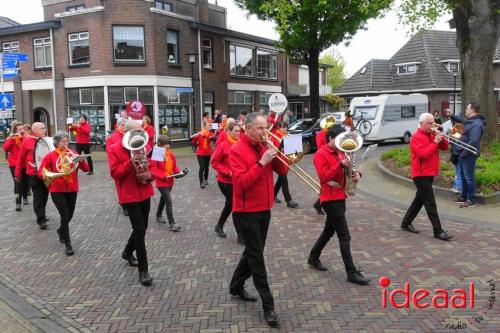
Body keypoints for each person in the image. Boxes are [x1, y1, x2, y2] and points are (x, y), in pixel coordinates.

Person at [228, 112, 288, 328]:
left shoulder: (265, 146)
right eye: (261, 128)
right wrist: (262, 162)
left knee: (253, 251)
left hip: (265, 208)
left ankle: (236, 286)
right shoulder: (236, 151)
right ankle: (268, 305)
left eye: (266, 128)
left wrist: (279, 153)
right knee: (256, 258)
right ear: (248, 129)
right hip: (246, 211)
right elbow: (242, 183)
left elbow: (282, 171)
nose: (265, 132)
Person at [307, 124, 371, 285]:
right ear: (331, 138)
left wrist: (356, 174)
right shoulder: (320, 154)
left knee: (328, 232)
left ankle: (313, 257)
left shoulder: (341, 152)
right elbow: (323, 177)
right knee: (345, 236)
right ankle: (351, 272)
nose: (343, 143)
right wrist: (339, 165)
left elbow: (346, 172)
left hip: (340, 196)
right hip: (329, 198)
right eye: (339, 139)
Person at [108, 119, 154, 286]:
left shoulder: (145, 145)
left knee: (143, 228)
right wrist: (131, 162)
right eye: (137, 131)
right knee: (140, 231)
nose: (141, 133)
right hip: (129, 194)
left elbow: (154, 164)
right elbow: (115, 173)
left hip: (145, 191)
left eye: (141, 130)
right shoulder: (114, 149)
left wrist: (152, 173)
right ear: (127, 132)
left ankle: (127, 251)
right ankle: (144, 271)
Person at [400, 113, 453, 240]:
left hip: (429, 173)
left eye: (433, 123)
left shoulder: (432, 134)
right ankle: (438, 231)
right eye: (430, 123)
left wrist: (441, 137)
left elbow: (445, 147)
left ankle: (406, 223)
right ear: (421, 123)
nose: (432, 126)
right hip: (420, 174)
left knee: (419, 200)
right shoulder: (416, 137)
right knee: (430, 203)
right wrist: (435, 142)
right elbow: (423, 154)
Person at [38, 132, 89, 256]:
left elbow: (86, 169)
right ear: (56, 143)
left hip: (72, 188)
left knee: (69, 215)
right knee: (65, 215)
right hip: (57, 190)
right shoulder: (50, 156)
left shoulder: (73, 154)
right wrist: (50, 176)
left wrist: (80, 160)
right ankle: (68, 244)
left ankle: (61, 231)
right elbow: (41, 172)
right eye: (62, 142)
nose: (65, 144)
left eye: (66, 141)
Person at [446, 103, 486, 208]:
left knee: (469, 177)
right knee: (464, 176)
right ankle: (463, 197)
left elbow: (473, 140)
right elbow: (462, 121)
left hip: (469, 154)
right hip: (464, 153)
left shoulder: (477, 124)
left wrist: (463, 153)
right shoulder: (471, 121)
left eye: (467, 108)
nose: (465, 109)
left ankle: (471, 200)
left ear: (472, 110)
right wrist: (452, 115)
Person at [211, 121, 243, 243]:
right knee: (234, 205)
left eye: (239, 131)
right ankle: (240, 235)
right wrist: (227, 171)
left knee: (230, 205)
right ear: (229, 131)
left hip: (237, 180)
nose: (238, 133)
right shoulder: (223, 145)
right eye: (235, 131)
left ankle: (219, 225)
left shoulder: (241, 144)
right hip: (225, 181)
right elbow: (214, 162)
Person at [15, 122, 50, 229]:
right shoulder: (27, 141)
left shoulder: (46, 140)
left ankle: (42, 213)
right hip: (33, 174)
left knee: (44, 195)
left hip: (45, 173)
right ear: (35, 130)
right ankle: (41, 219)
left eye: (44, 128)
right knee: (38, 196)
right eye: (42, 128)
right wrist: (17, 173)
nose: (45, 130)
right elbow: (20, 158)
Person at [150, 135, 183, 232]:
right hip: (162, 182)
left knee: (163, 199)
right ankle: (172, 223)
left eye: (168, 144)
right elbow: (153, 169)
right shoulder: (157, 153)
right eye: (165, 144)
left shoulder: (170, 154)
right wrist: (163, 175)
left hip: (170, 181)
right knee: (168, 201)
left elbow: (174, 167)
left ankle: (158, 215)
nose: (167, 146)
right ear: (160, 144)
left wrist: (179, 173)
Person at [271, 121, 298, 208]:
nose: (285, 128)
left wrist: (294, 156)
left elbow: (293, 149)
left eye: (286, 127)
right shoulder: (274, 136)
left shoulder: (287, 135)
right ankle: (289, 200)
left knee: (281, 179)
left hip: (285, 160)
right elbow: (274, 149)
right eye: (283, 127)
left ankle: (273, 195)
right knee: (284, 179)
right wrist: (281, 145)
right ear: (279, 127)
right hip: (278, 160)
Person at [3, 121, 29, 211]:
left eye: (22, 129)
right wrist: (11, 139)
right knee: (18, 183)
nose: (21, 130)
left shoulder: (26, 138)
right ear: (15, 131)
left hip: (25, 164)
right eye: (19, 129)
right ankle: (18, 203)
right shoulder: (11, 138)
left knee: (26, 182)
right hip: (14, 164)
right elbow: (5, 148)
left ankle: (25, 197)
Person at [194, 122, 214, 188]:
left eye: (210, 125)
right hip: (200, 152)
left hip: (208, 152)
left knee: (206, 167)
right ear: (205, 126)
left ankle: (206, 179)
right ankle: (201, 182)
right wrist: (195, 137)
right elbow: (194, 142)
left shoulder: (211, 134)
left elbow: (212, 139)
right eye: (208, 125)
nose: (209, 126)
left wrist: (204, 135)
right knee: (202, 167)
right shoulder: (200, 133)